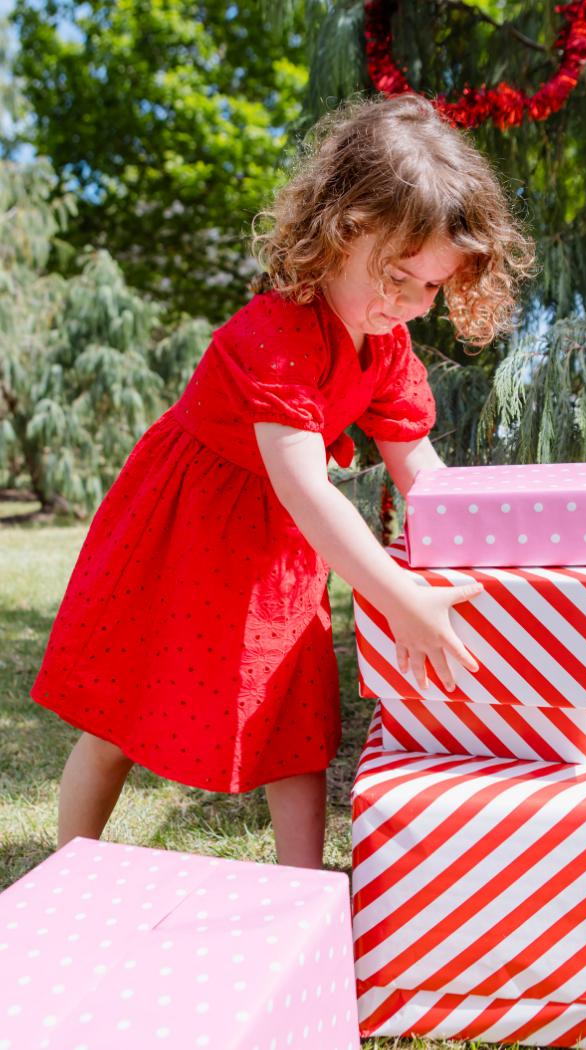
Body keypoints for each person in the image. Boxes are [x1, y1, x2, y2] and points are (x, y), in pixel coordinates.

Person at [32, 95, 533, 869]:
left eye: (430, 289)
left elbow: (420, 470)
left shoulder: (386, 341)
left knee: (294, 724)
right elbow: (304, 485)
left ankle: (304, 896)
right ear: (344, 231)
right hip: (188, 527)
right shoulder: (279, 334)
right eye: (398, 277)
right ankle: (70, 872)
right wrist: (396, 597)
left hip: (278, 550)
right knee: (121, 716)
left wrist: (479, 554)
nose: (407, 305)